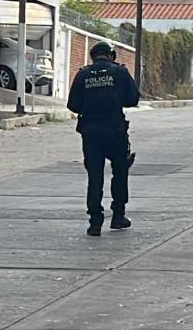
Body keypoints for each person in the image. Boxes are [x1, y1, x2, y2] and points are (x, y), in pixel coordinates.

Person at [67, 41, 140, 237]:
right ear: (111, 55)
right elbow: (133, 99)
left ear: (92, 56)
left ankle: (95, 223)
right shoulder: (120, 72)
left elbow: (73, 104)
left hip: (91, 132)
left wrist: (90, 105)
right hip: (115, 130)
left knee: (95, 176)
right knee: (120, 171)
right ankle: (118, 216)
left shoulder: (83, 74)